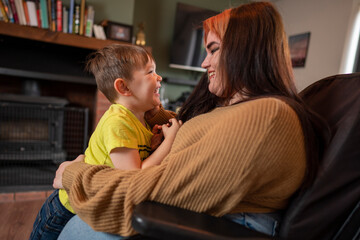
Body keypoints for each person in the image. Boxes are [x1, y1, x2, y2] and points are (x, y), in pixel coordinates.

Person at [55, 2, 328, 239]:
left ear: (243, 51)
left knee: (55, 212)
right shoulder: (241, 108)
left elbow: (147, 191)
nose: (204, 63)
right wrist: (148, 112)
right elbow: (194, 127)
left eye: (213, 50)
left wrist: (74, 174)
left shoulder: (265, 117)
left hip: (188, 223)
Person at [29, 44, 181, 240]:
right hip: (64, 210)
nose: (159, 77)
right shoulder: (118, 122)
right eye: (151, 72)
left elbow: (136, 159)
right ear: (124, 87)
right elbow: (134, 176)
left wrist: (154, 144)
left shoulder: (139, 118)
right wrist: (169, 143)